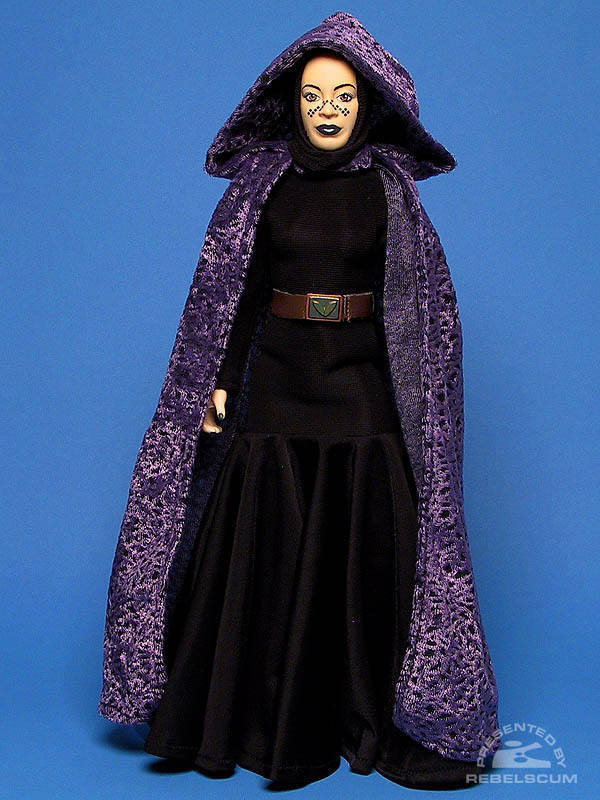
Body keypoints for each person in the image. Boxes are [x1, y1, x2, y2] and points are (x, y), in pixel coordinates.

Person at [99, 12, 501, 792]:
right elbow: (234, 296)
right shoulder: (261, 186)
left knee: (367, 535)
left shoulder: (389, 194)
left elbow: (417, 312)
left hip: (360, 388)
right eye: (313, 95)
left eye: (343, 96)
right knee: (264, 539)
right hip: (278, 385)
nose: (327, 109)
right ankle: (254, 718)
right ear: (292, 103)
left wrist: (411, 404)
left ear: (367, 105)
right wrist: (217, 384)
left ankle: (364, 713)